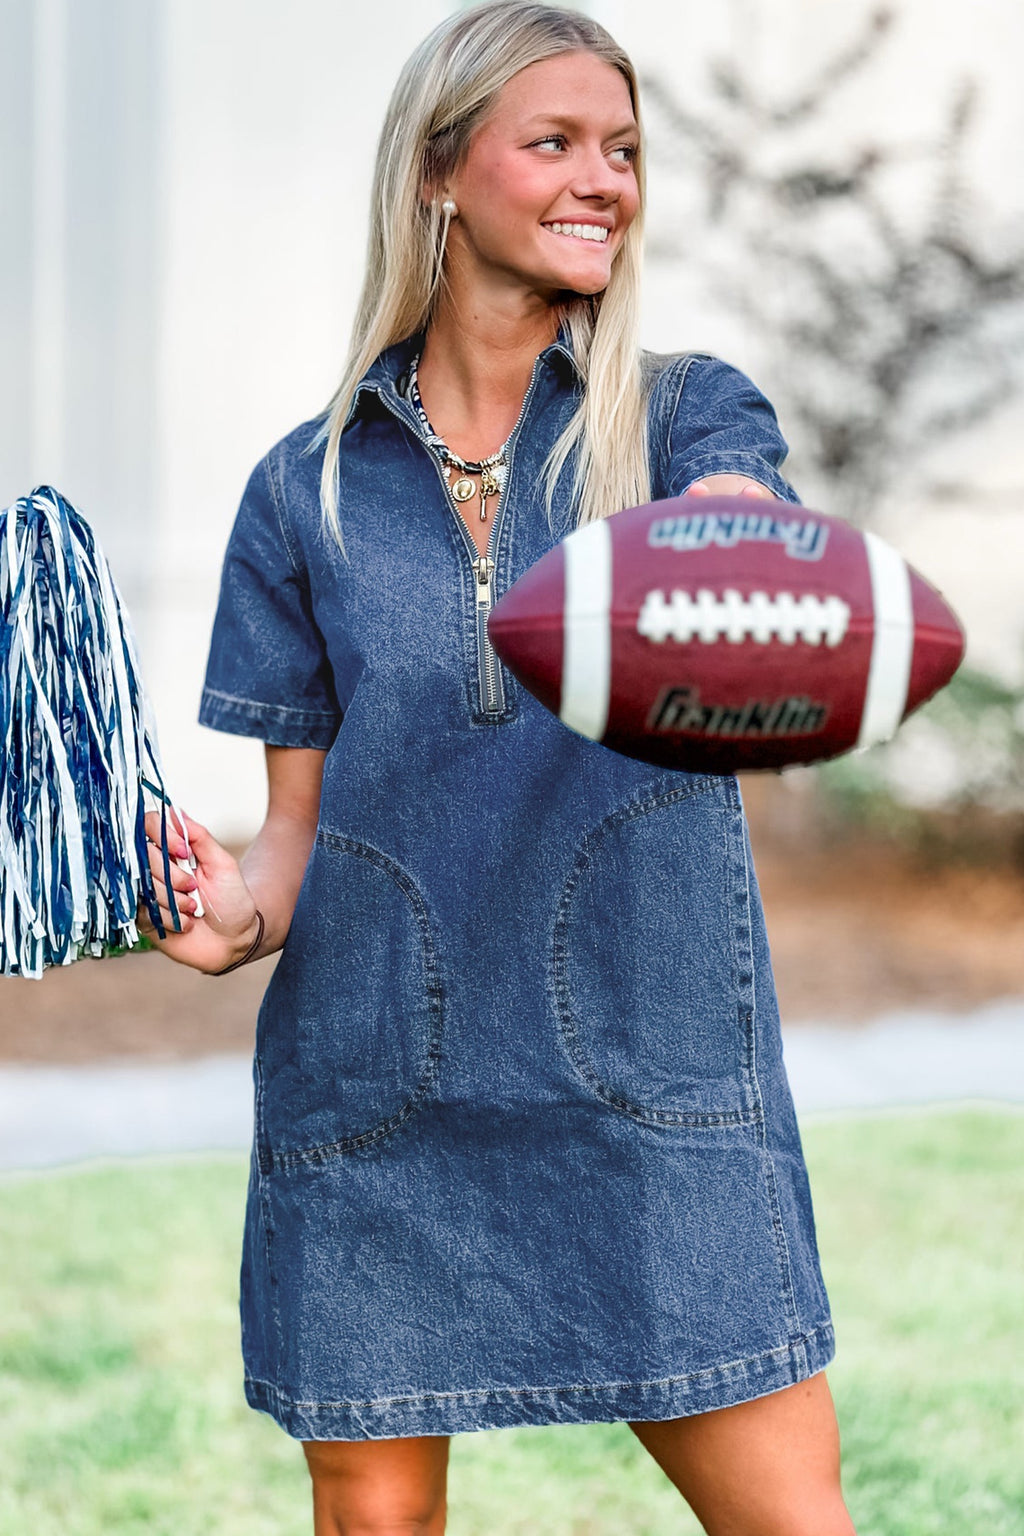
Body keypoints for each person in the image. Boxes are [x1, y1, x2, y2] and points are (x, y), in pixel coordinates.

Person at [138, 5, 857, 1532]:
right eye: (557, 143)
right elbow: (289, 851)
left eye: (625, 151)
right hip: (380, 1104)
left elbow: (746, 521)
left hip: (660, 1097)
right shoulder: (304, 491)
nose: (607, 179)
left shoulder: (677, 418)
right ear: (440, 174)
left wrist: (735, 541)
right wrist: (232, 910)